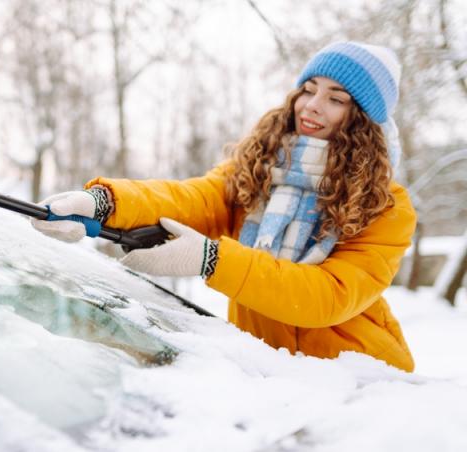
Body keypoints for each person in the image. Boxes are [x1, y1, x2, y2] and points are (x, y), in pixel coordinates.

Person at [32, 42, 416, 372]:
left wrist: (213, 260)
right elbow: (192, 199)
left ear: (364, 119)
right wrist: (104, 203)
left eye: (336, 99)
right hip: (268, 368)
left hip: (358, 380)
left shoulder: (385, 205)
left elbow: (328, 297)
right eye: (308, 89)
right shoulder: (258, 168)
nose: (312, 106)